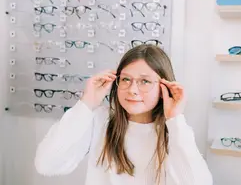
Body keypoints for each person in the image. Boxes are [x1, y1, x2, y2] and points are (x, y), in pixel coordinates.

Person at [34, 44, 213, 185]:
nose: (133, 90)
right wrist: (86, 103)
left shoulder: (174, 131)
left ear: (163, 87)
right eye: (126, 79)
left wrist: (174, 120)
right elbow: (47, 164)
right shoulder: (100, 120)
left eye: (145, 81)